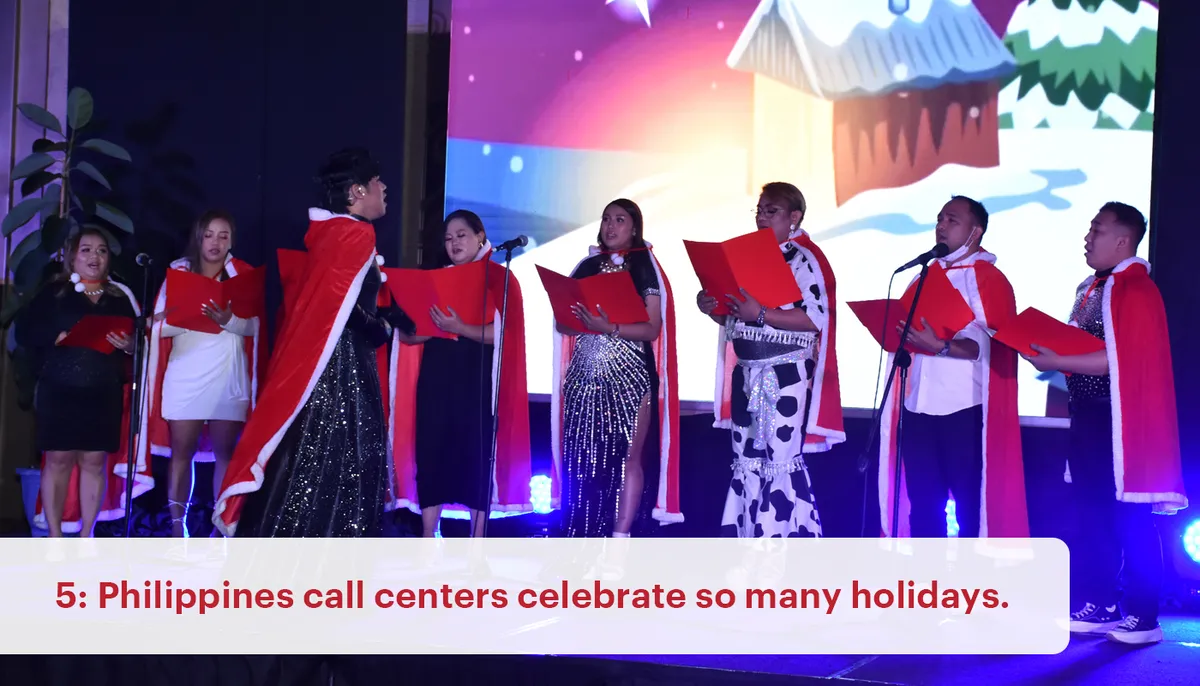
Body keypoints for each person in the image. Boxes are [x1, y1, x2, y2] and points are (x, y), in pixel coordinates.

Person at [1024, 202, 1186, 645]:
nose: (1087, 237)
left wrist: (1055, 360)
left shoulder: (1135, 289)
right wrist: (1046, 348)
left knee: (1129, 518)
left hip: (1123, 422)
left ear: (1123, 240)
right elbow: (1082, 344)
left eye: (1096, 229)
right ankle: (1099, 601)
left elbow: (1119, 360)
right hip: (1088, 418)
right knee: (1091, 514)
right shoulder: (1092, 287)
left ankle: (1144, 616)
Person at [213, 148, 395, 537]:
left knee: (310, 466)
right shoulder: (355, 233)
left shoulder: (330, 235)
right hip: (342, 373)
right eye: (378, 181)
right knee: (343, 465)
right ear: (357, 191)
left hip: (328, 368)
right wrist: (380, 328)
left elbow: (331, 304)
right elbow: (341, 309)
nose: (385, 188)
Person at [876, 196, 1027, 539]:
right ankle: (928, 586)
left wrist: (942, 346)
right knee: (923, 506)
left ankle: (971, 585)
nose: (941, 226)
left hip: (965, 411)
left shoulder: (989, 278)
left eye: (952, 220)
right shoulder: (923, 276)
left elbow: (989, 343)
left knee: (971, 506)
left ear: (976, 231)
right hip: (918, 407)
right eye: (940, 219)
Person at [702, 182, 844, 538]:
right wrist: (714, 309)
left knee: (778, 460)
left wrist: (761, 313)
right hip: (746, 374)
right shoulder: (745, 258)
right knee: (745, 460)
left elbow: (816, 318)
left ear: (794, 217)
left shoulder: (803, 258)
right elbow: (738, 318)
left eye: (772, 211)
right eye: (760, 211)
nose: (762, 218)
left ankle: (779, 548)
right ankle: (747, 543)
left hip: (785, 375)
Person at [389, 210, 533, 537]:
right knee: (432, 453)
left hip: (477, 381)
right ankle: (428, 538)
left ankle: (476, 542)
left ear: (480, 235)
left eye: (461, 235)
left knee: (475, 458)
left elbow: (506, 334)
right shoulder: (434, 279)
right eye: (448, 238)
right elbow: (409, 335)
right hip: (437, 379)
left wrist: (459, 327)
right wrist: (436, 328)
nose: (454, 242)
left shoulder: (499, 277)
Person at [552, 198, 682, 538]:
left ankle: (619, 542)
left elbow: (652, 328)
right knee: (580, 459)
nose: (611, 226)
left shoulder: (643, 266)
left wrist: (608, 326)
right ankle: (578, 536)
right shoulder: (586, 266)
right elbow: (564, 325)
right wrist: (581, 321)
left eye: (620, 220)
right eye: (607, 219)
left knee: (627, 458)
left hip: (630, 377)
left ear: (635, 227)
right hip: (584, 375)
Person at [142, 210, 266, 537]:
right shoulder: (178, 274)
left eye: (223, 235)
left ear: (232, 241)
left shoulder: (243, 274)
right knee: (182, 453)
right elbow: (156, 329)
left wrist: (229, 321)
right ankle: (175, 528)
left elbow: (256, 328)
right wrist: (179, 319)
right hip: (186, 375)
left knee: (226, 453)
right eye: (209, 234)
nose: (215, 242)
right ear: (198, 237)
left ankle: (221, 527)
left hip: (228, 375)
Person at [16, 228, 147, 536]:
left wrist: (129, 346)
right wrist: (55, 336)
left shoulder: (120, 297)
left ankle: (87, 534)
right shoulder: (54, 293)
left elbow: (138, 344)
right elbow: (23, 332)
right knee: (58, 460)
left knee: (93, 462)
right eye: (86, 250)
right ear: (72, 257)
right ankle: (55, 537)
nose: (94, 256)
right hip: (59, 388)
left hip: (102, 391)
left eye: (101, 251)